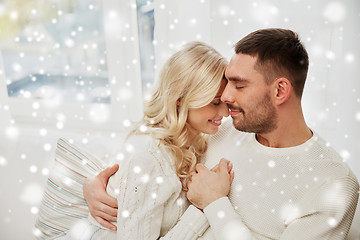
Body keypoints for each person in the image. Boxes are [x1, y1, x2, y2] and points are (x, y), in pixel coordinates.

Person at [85, 28, 360, 240]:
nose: (226, 97)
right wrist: (93, 187)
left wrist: (215, 204)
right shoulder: (222, 132)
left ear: (279, 91)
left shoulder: (332, 183)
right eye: (226, 84)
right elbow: (151, 163)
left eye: (238, 86)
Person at [58, 41, 232, 239]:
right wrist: (203, 209)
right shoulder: (148, 160)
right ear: (181, 99)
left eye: (226, 102)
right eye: (215, 102)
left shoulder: (196, 143)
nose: (225, 112)